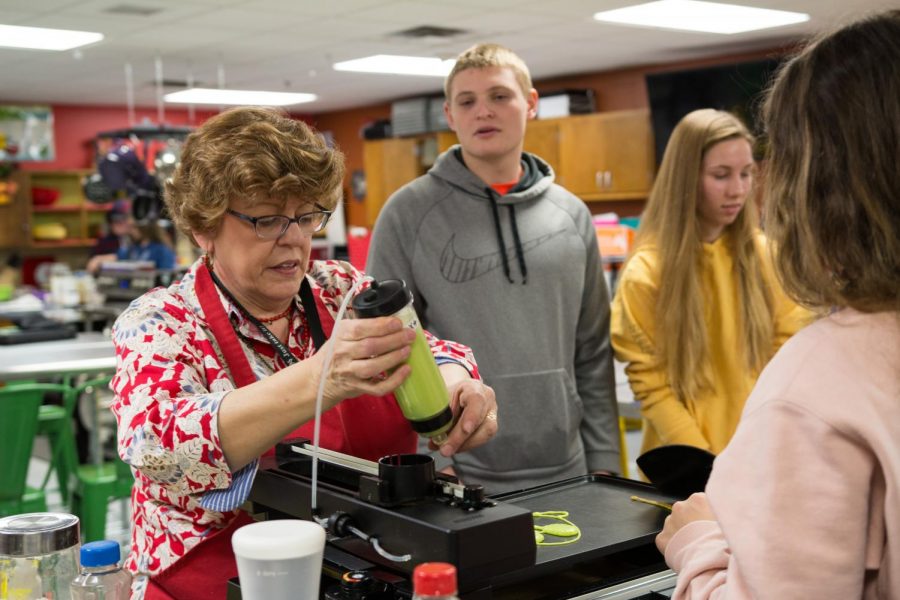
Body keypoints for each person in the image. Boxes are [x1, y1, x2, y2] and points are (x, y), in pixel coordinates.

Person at [109, 106, 498, 600]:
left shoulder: (340, 290)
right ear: (203, 228)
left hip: (353, 564)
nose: (293, 237)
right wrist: (320, 378)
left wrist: (453, 381)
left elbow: (433, 348)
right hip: (216, 579)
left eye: (306, 215)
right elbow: (160, 447)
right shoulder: (162, 321)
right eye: (266, 218)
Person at [656, 10, 900, 598]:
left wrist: (700, 544)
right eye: (723, 174)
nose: (743, 188)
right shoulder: (655, 272)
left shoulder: (818, 384)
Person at [367, 43, 620, 494]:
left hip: (571, 466)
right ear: (449, 114)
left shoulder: (572, 215)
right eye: (467, 101)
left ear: (531, 104)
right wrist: (426, 460)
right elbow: (388, 351)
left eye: (500, 96)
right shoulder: (407, 213)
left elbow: (593, 350)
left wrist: (604, 459)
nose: (484, 111)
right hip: (458, 470)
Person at [610, 109, 811, 458]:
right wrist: (706, 464)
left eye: (746, 174)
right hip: (689, 469)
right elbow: (653, 386)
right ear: (686, 179)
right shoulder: (646, 272)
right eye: (721, 175)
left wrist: (759, 445)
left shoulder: (768, 257)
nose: (738, 190)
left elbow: (786, 359)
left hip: (762, 454)